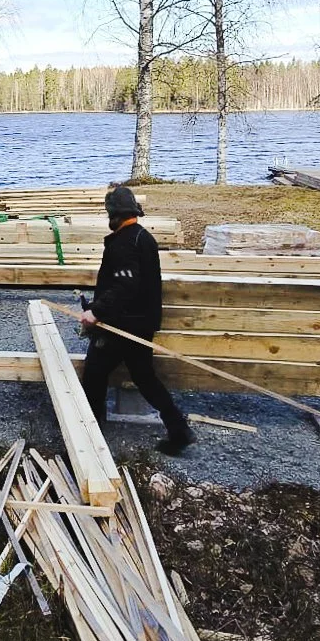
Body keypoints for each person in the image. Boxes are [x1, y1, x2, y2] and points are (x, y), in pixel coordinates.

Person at [79, 184, 194, 454]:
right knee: (145, 378)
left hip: (122, 326)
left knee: (94, 374)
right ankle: (179, 430)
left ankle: (91, 437)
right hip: (141, 322)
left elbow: (124, 286)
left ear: (115, 215)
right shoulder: (143, 237)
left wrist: (95, 312)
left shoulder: (123, 244)